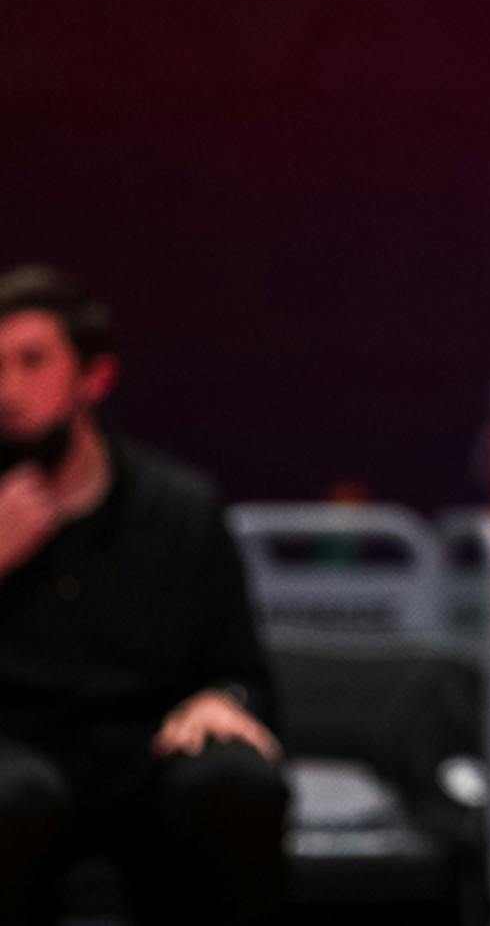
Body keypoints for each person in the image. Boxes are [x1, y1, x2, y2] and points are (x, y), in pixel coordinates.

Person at [0, 265, 288, 925]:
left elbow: (246, 675)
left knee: (235, 782)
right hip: (13, 754)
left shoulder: (180, 509)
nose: (7, 389)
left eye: (32, 362)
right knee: (12, 799)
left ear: (94, 378)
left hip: (145, 753)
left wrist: (223, 699)